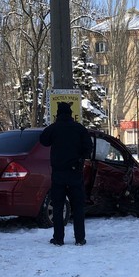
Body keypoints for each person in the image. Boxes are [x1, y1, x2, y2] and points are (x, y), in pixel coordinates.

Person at [39, 102, 93, 246]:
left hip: (58, 173)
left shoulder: (54, 128)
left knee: (58, 207)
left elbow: (43, 140)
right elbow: (89, 147)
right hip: (75, 173)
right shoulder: (79, 129)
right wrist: (80, 159)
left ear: (58, 114)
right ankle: (80, 238)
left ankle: (58, 239)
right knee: (78, 207)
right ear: (70, 113)